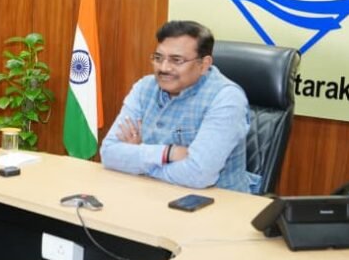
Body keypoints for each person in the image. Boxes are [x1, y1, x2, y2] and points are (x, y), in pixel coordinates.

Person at [99, 20, 257, 193]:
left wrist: (137, 159)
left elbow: (198, 174)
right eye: (158, 58)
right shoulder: (144, 87)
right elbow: (109, 153)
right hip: (152, 194)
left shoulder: (226, 98)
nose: (164, 68)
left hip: (217, 201)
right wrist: (168, 153)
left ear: (204, 65)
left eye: (176, 60)